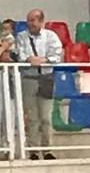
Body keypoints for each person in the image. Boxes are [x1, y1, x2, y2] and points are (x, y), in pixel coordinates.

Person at [15, 9, 62, 161]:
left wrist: (44, 60)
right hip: (29, 78)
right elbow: (20, 54)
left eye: (33, 20)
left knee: (46, 117)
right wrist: (29, 59)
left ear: (41, 21)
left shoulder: (51, 36)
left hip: (46, 78)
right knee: (32, 118)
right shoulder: (21, 36)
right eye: (29, 20)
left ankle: (48, 150)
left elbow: (57, 55)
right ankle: (33, 151)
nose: (30, 23)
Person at [0, 20, 15, 160]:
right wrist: (3, 47)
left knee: (8, 117)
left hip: (8, 82)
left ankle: (8, 149)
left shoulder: (12, 41)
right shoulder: (3, 42)